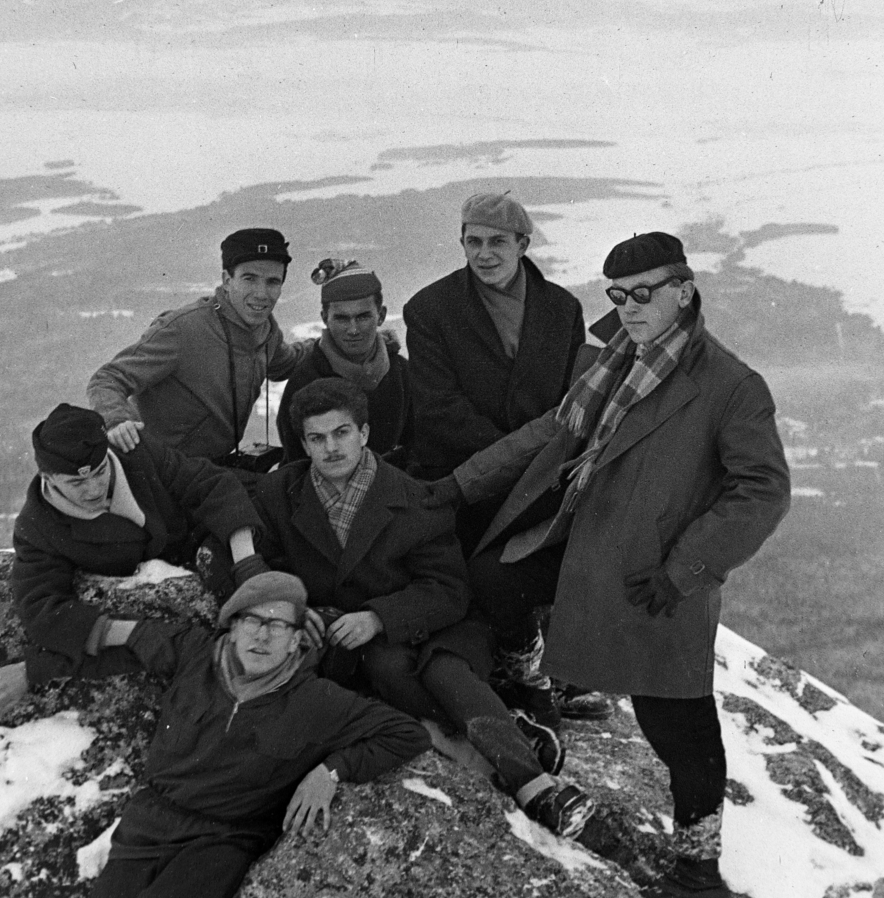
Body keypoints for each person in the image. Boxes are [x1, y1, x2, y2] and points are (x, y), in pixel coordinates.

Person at [425, 232, 791, 898]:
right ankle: (533, 683)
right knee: (498, 578)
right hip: (585, 541)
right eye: (617, 295)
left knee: (674, 719)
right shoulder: (613, 361)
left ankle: (699, 873)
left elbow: (762, 489)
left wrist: (686, 567)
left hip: (654, 575)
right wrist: (458, 485)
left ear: (684, 290)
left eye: (643, 293)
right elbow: (549, 431)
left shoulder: (729, 386)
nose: (627, 307)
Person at [233, 377, 595, 839]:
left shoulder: (413, 499)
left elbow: (448, 589)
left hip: (439, 623)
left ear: (364, 434)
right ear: (303, 444)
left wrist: (379, 616)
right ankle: (508, 728)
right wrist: (292, 604)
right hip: (368, 645)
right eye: (317, 438)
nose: (330, 448)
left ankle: (536, 785)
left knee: (443, 672)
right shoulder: (282, 494)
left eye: (341, 433)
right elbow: (240, 530)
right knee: (386, 668)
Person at [65, 571, 432, 898]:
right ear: (233, 628)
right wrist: (30, 672)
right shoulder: (194, 653)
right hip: (149, 825)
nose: (262, 635)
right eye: (253, 620)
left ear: (295, 640)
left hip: (225, 836)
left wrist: (332, 770)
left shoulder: (317, 700)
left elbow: (407, 735)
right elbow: (127, 636)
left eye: (278, 624)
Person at [404, 192, 612, 724]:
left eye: (497, 241)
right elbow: (437, 408)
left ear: (523, 243)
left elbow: (568, 401)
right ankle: (522, 674)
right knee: (488, 573)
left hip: (539, 471)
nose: (484, 253)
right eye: (473, 241)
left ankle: (560, 668)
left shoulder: (561, 308)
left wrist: (537, 462)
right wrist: (508, 456)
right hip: (464, 472)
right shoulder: (431, 309)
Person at [0, 404, 261, 715]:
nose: (94, 489)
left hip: (202, 548)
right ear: (48, 477)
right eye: (77, 483)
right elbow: (43, 610)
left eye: (99, 472)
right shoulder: (39, 527)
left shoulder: (135, 451)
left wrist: (250, 570)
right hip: (161, 607)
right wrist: (132, 633)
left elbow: (210, 484)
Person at [87, 227, 312, 472]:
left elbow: (287, 362)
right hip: (160, 469)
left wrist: (333, 336)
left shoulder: (265, 330)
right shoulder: (183, 328)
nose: (261, 293)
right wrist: (117, 420)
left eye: (272, 282)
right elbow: (107, 378)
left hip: (214, 468)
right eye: (249, 279)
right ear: (227, 280)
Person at [275, 259, 414, 467]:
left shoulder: (402, 371)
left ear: (381, 315)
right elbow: (297, 462)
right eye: (341, 318)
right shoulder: (305, 380)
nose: (353, 330)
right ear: (324, 318)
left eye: (363, 317)